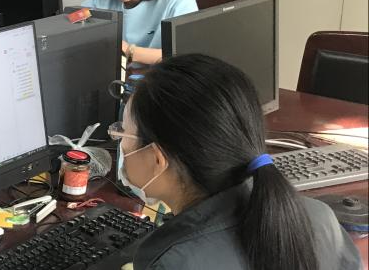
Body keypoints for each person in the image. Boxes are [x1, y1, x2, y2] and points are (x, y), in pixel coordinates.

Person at [111, 54, 359, 270]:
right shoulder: (320, 218)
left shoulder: (173, 261)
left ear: (157, 159)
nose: (120, 142)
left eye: (124, 133)